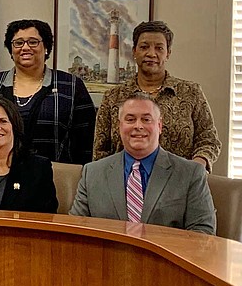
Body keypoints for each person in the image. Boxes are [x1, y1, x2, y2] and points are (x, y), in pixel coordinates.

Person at [70, 93, 215, 235]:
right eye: (130, 119)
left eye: (146, 119)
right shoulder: (92, 173)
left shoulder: (190, 174)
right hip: (106, 258)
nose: (138, 126)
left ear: (159, 125)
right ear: (119, 126)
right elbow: (75, 229)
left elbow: (203, 233)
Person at [0, 19, 95, 165]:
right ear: (11, 50)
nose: (25, 47)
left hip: (55, 179)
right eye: (18, 43)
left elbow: (87, 142)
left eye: (33, 42)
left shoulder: (71, 86)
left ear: (46, 47)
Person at [93, 20, 220, 172]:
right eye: (144, 47)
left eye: (159, 48)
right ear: (134, 51)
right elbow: (100, 151)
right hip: (124, 187)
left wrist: (195, 168)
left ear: (168, 53)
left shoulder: (191, 93)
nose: (151, 54)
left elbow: (209, 140)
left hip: (179, 184)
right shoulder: (113, 97)